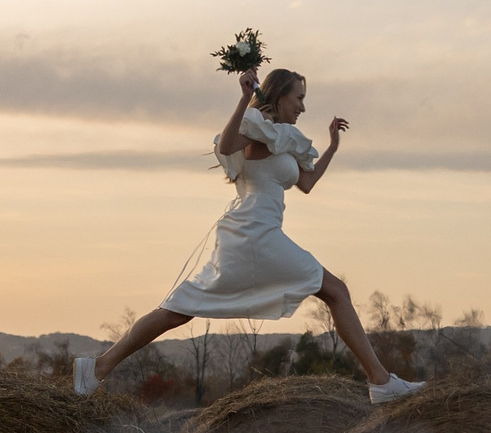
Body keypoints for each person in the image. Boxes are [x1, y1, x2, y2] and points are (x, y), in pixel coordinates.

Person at [75, 65, 424, 401]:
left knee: (179, 310)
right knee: (335, 291)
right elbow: (227, 146)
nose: (303, 107)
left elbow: (307, 183)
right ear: (280, 95)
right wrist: (243, 99)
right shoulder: (257, 127)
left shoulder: (284, 138)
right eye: (299, 98)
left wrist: (332, 146)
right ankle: (380, 382)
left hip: (255, 233)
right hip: (254, 232)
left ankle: (98, 368)